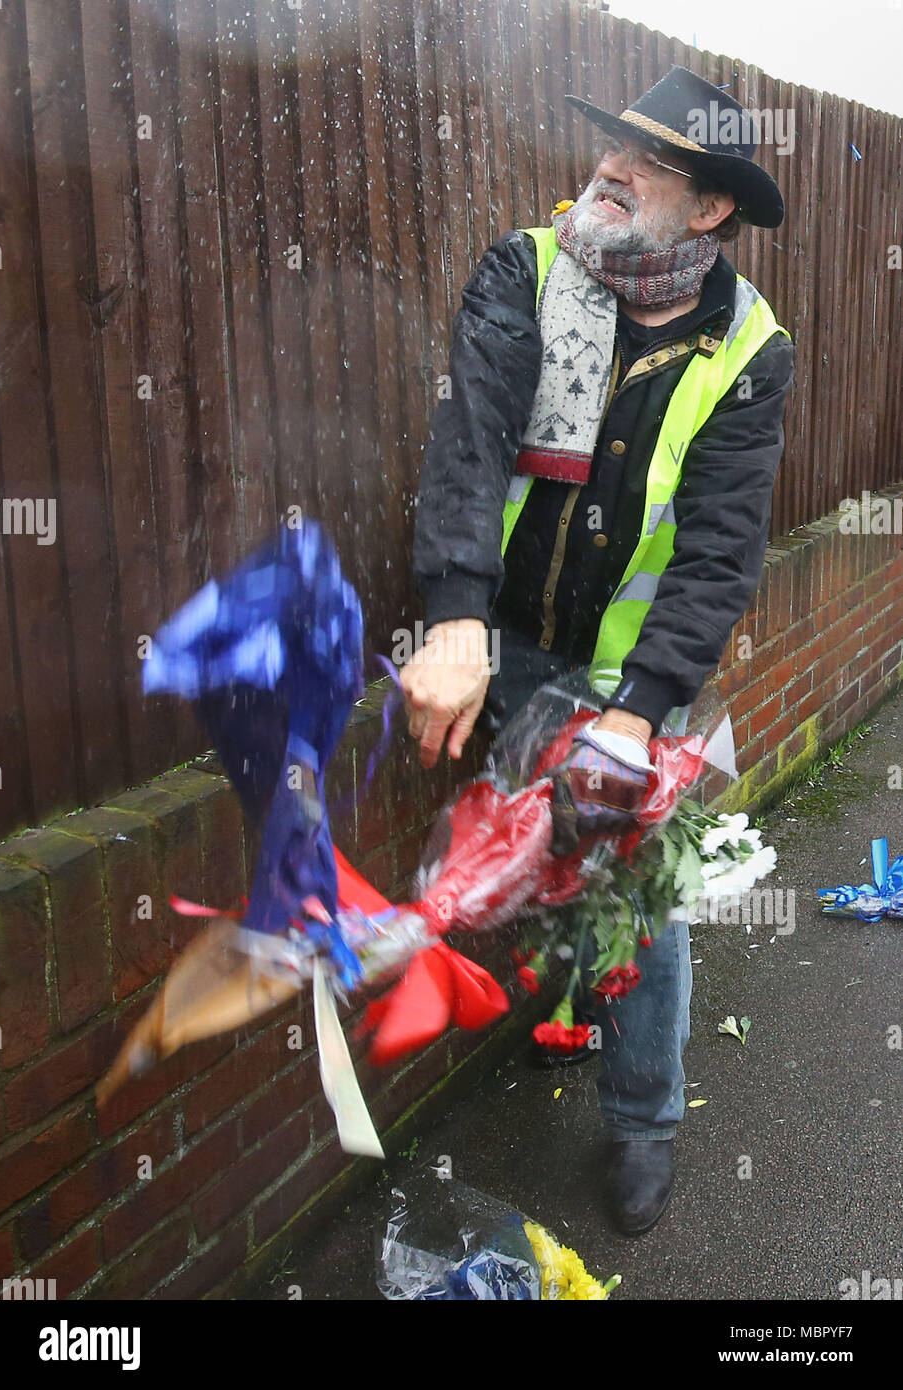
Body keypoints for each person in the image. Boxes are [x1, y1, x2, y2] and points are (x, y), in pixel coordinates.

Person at [400, 67, 794, 1235]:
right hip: (510, 646)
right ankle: (564, 1009)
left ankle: (642, 1121)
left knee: (637, 893)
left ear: (710, 208)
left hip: (638, 672)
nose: (610, 169)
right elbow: (467, 445)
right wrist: (458, 615)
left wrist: (638, 714)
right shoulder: (524, 268)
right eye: (614, 147)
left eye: (650, 162)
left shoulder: (746, 346)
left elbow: (719, 549)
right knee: (525, 854)